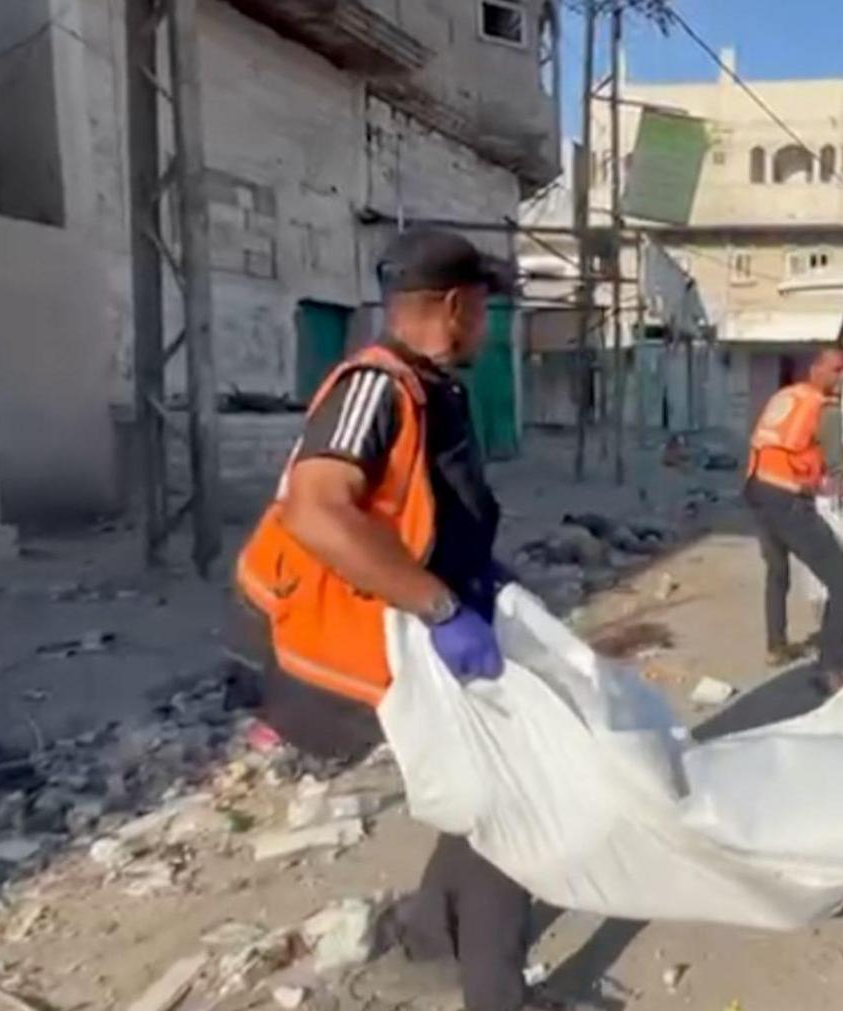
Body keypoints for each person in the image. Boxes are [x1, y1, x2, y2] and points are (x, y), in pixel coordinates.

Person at [230, 228, 552, 1011]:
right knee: (508, 794)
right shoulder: (374, 387)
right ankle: (494, 995)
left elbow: (421, 514)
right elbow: (316, 511)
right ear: (452, 305)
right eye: (482, 306)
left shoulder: (427, 387)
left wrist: (478, 579)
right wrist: (441, 606)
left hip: (400, 624)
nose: (486, 321)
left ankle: (434, 934)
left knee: (491, 779)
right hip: (339, 642)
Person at [743, 348, 843, 693]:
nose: (841, 378)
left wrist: (813, 478)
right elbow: (840, 466)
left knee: (777, 570)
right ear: (816, 369)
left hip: (758, 488)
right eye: (836, 370)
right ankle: (829, 667)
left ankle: (776, 645)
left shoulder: (786, 396)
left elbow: (782, 445)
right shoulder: (823, 409)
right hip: (787, 500)